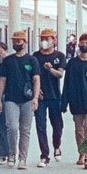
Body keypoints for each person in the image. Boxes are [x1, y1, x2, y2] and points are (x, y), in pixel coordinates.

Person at [0, 30, 40, 169]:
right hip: (11, 99)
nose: (16, 43)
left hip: (27, 99)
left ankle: (23, 159)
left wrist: (35, 98)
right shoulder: (8, 61)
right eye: (14, 41)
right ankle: (12, 153)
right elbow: (2, 80)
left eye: (19, 41)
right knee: (12, 128)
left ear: (25, 43)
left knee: (25, 129)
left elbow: (36, 80)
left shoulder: (32, 60)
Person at [61, 32, 87, 168]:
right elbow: (66, 83)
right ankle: (81, 153)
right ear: (78, 44)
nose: (84, 45)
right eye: (82, 43)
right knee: (79, 131)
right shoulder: (72, 64)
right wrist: (64, 102)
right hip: (76, 102)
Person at [34, 28, 66, 166]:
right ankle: (44, 155)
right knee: (41, 125)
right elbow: (31, 76)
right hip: (40, 97)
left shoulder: (60, 55)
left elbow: (60, 74)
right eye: (42, 38)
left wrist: (50, 69)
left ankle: (57, 146)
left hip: (54, 96)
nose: (44, 41)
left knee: (57, 125)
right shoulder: (35, 56)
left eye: (48, 38)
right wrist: (35, 91)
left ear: (54, 40)